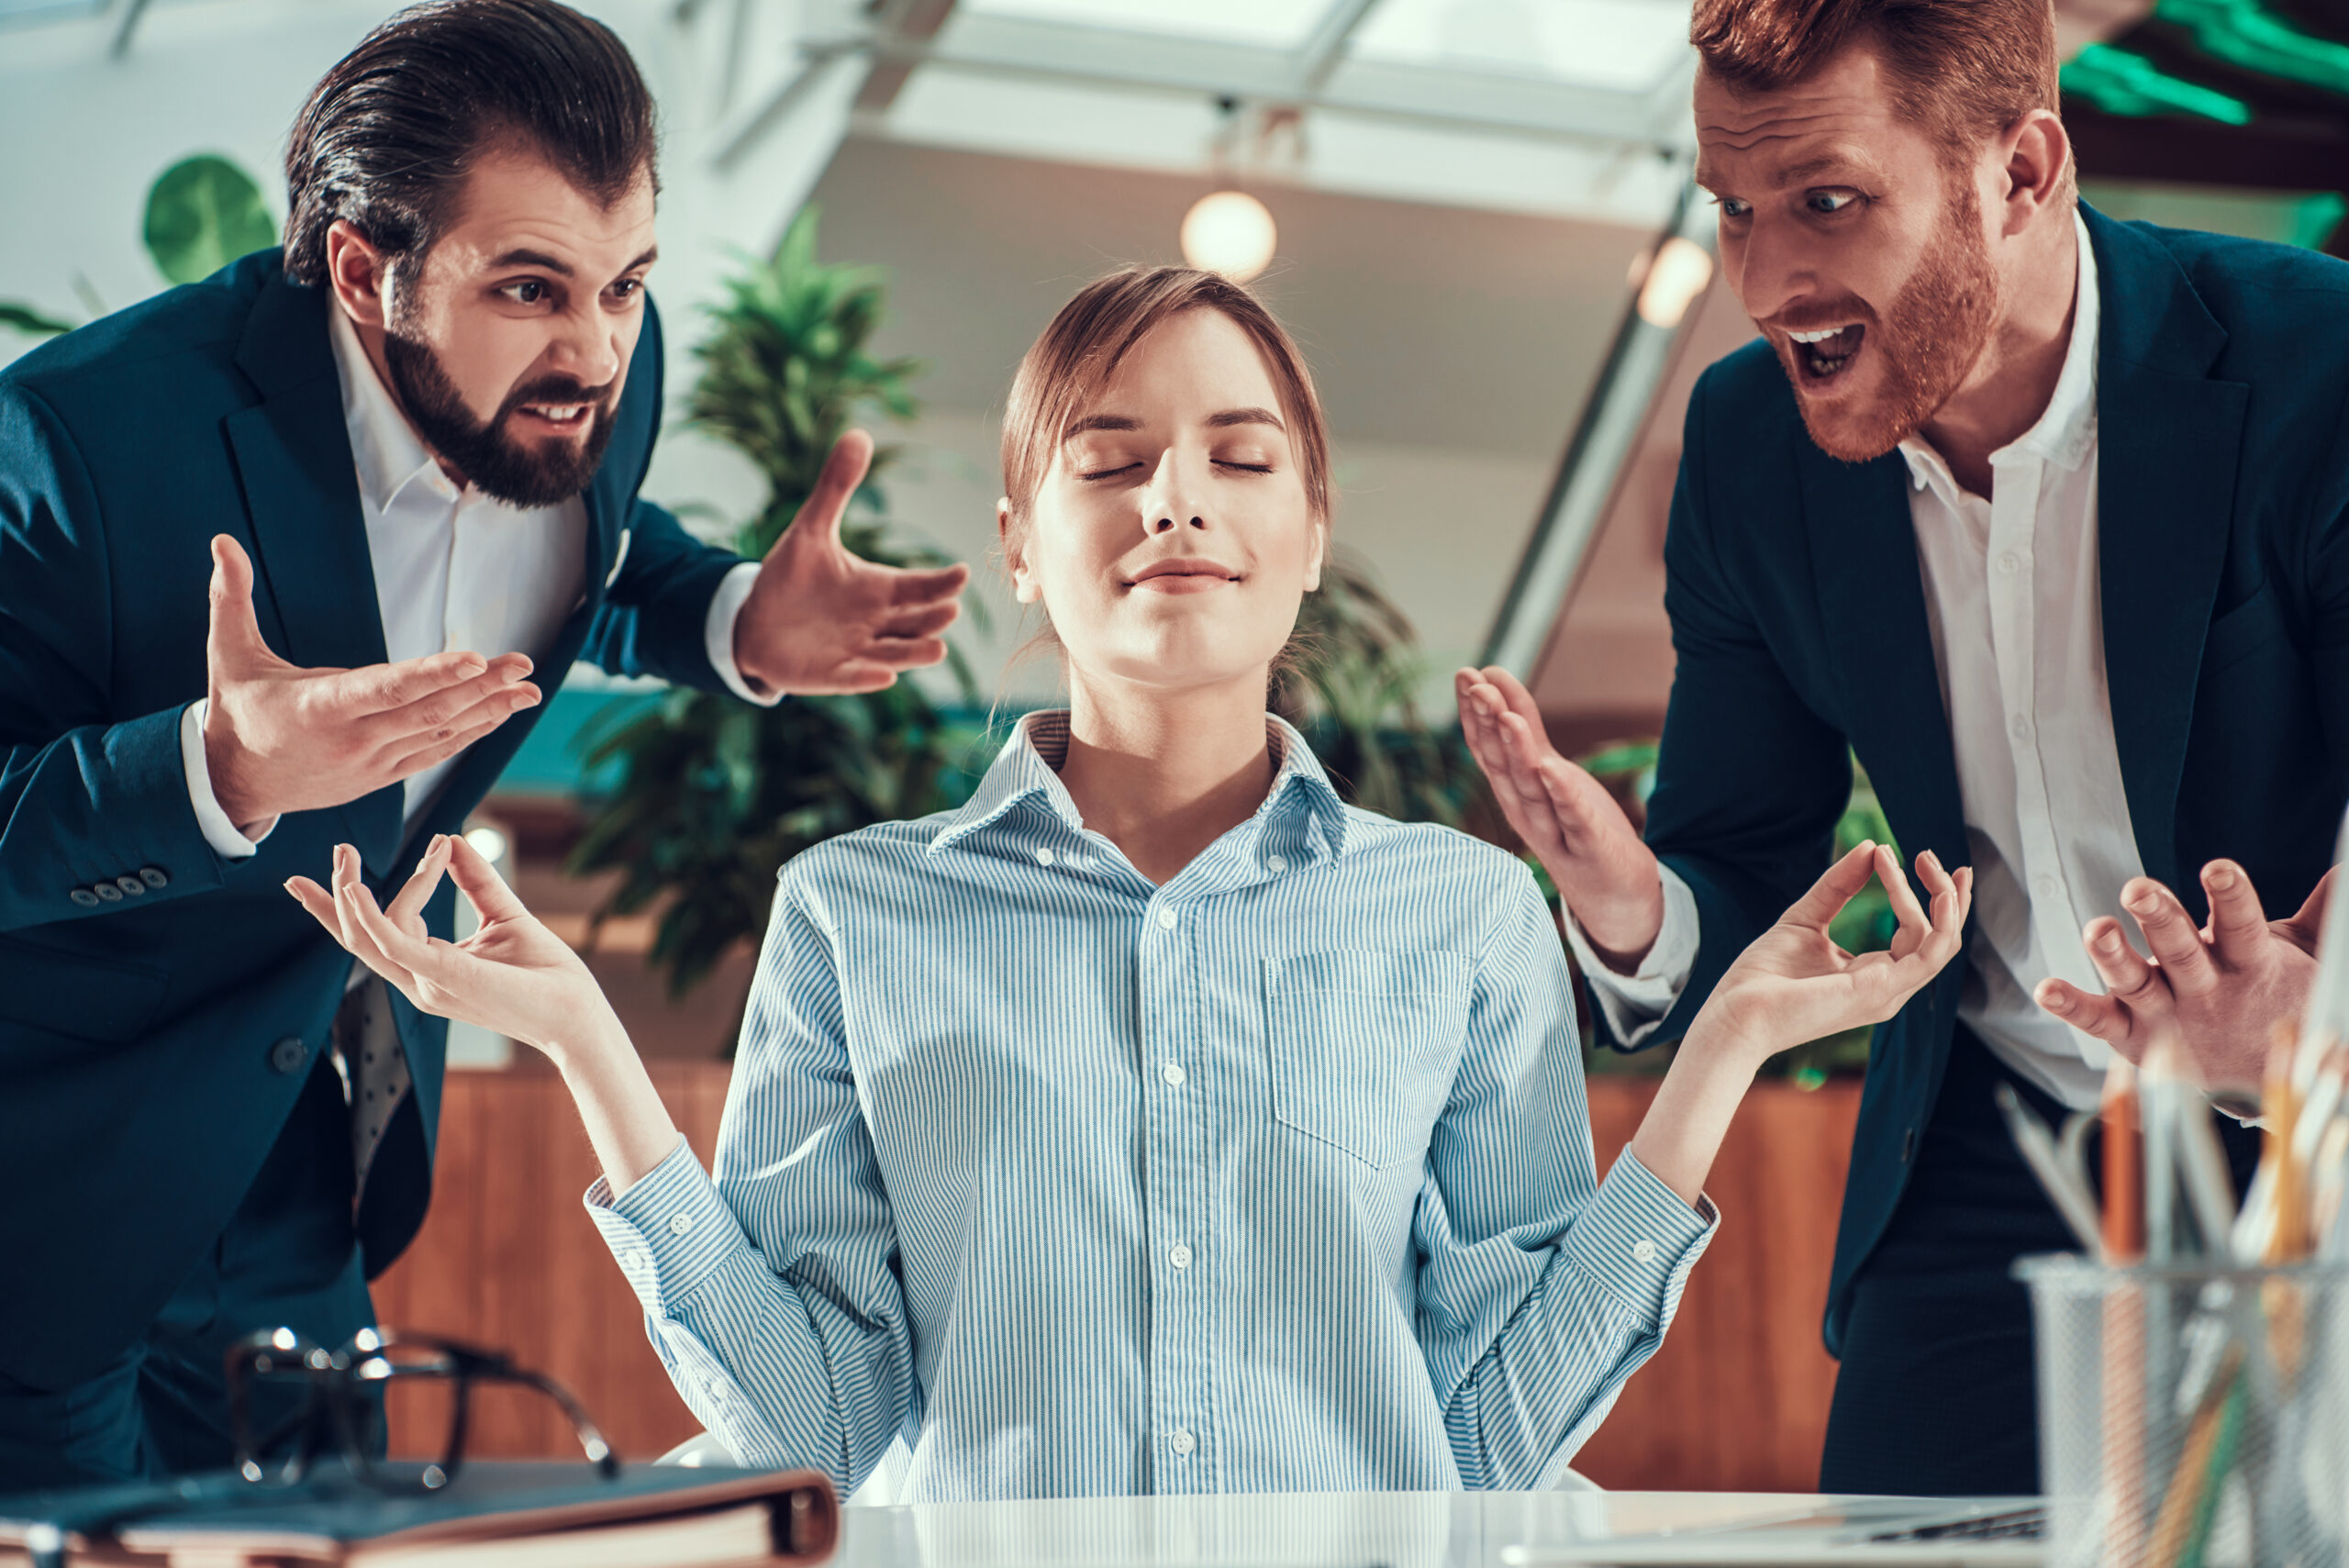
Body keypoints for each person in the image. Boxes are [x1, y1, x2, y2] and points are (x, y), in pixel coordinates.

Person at [291, 264, 1970, 1501]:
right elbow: (808, 1433)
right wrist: (594, 1049)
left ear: (1311, 529)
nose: (1176, 499)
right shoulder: (855, 917)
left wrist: (1721, 1051)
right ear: (1022, 538)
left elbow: (1483, 1434)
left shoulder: (1461, 919)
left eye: (1242, 460)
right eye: (1109, 461)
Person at [0, 0, 966, 1487]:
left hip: (304, 1180)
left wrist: (725, 621)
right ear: (361, 269)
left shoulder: (586, 381)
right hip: (51, 1181)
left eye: (628, 284)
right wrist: (215, 774)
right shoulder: (78, 443)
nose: (594, 347)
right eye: (531, 288)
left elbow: (586, 544)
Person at [1456, 0, 2349, 1497]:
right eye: (1734, 210)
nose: (1765, 280)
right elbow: (1742, 859)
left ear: (2023, 170)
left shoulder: (2315, 364)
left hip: (2305, 1129)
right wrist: (1631, 905)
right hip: (1987, 1147)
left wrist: (2311, 1038)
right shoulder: (1752, 450)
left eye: (1827, 202)